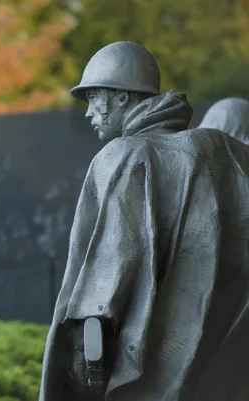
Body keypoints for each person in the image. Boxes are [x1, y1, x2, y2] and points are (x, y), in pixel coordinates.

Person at [38, 41, 249, 401]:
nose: (89, 112)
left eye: (95, 97)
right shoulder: (223, 156)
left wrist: (85, 368)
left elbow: (100, 291)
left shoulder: (124, 156)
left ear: (122, 98)